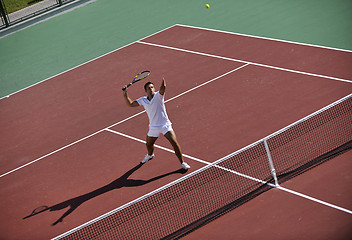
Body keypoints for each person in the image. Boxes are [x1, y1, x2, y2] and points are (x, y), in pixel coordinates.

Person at [122, 78, 190, 170]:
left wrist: (163, 82)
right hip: (153, 127)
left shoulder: (159, 96)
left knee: (175, 143)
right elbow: (130, 104)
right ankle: (150, 155)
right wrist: (125, 93)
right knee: (148, 144)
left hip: (165, 125)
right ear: (146, 90)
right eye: (149, 88)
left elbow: (163, 88)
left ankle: (182, 163)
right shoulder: (143, 100)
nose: (151, 89)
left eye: (152, 87)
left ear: (154, 89)